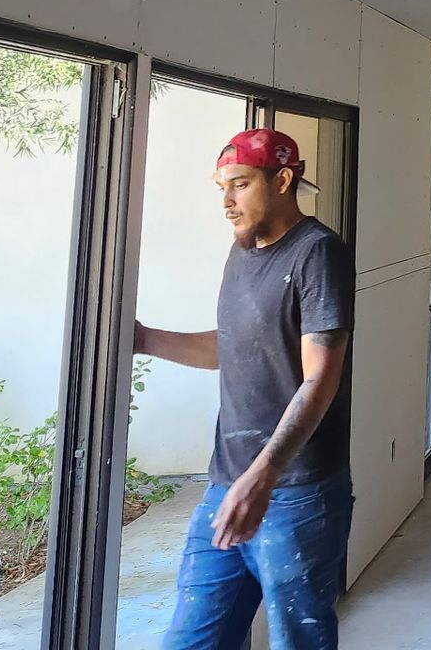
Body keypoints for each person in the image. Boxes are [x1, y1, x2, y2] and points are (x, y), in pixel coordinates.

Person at [136, 128, 356, 650]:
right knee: (191, 639)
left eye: (239, 184)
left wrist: (263, 475)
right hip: (226, 484)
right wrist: (143, 340)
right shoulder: (242, 252)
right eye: (221, 188)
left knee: (297, 641)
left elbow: (319, 379)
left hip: (296, 492)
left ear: (282, 180)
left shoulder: (317, 254)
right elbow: (231, 347)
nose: (227, 202)